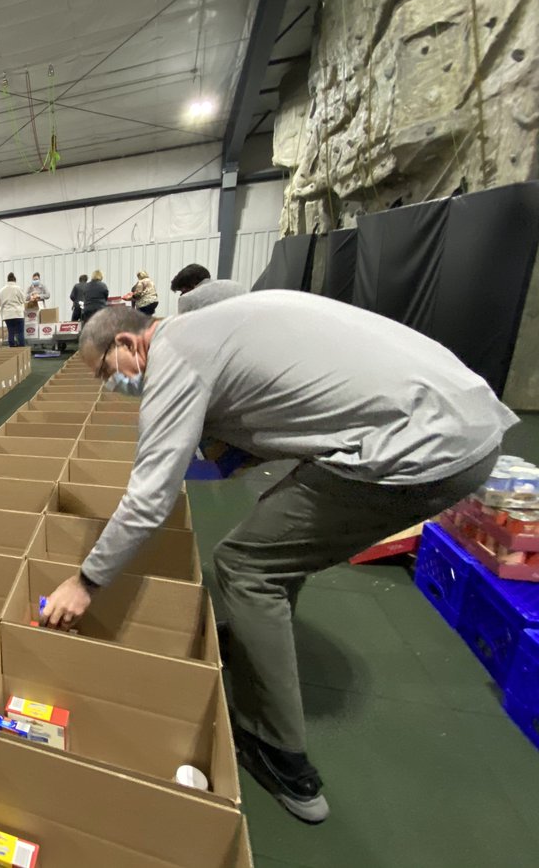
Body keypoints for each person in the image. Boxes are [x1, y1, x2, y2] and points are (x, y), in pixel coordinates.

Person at [41, 294, 517, 825]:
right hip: (463, 418)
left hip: (421, 450)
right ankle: (252, 639)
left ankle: (278, 752)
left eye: (106, 371)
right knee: (276, 535)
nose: (111, 385)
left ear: (129, 342)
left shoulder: (175, 357)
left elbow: (149, 499)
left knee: (246, 565)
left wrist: (86, 581)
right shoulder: (211, 324)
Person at [171, 263, 246, 313]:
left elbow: (183, 328)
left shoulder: (187, 298)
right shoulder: (237, 286)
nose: (182, 295)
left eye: (183, 291)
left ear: (192, 284)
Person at [0, 272, 27, 347]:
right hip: (17, 313)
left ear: (7, 280)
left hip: (7, 314)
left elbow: (0, 303)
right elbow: (24, 299)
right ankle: (21, 348)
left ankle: (12, 347)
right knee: (20, 332)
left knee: (10, 331)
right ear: (15, 280)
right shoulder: (18, 288)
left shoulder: (2, 290)